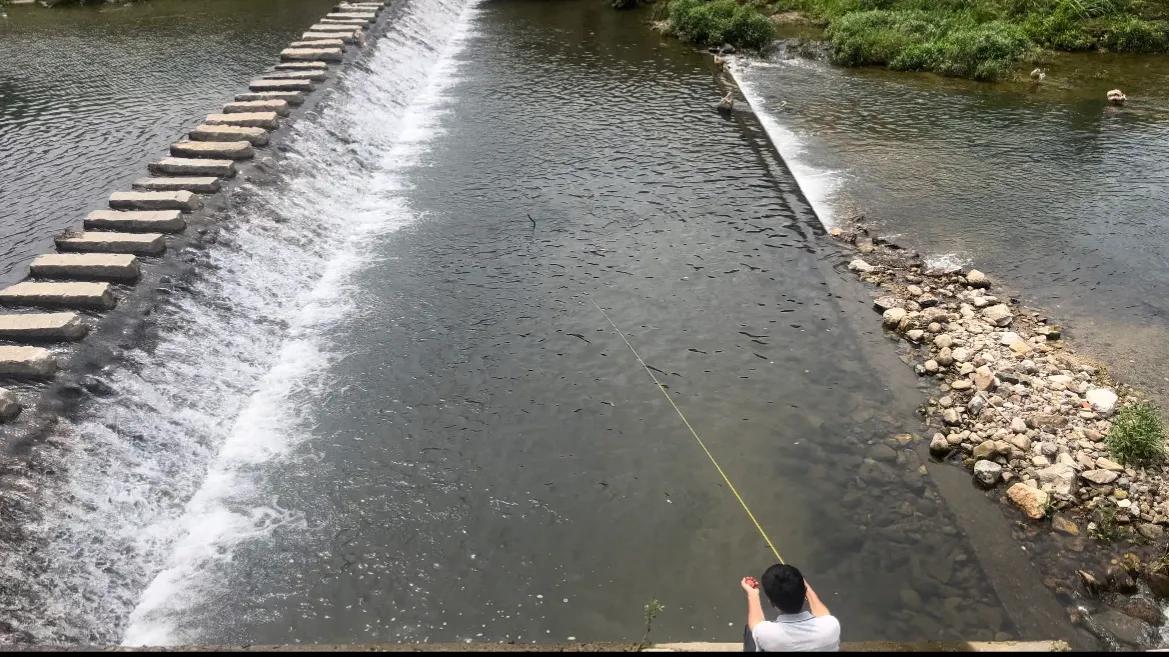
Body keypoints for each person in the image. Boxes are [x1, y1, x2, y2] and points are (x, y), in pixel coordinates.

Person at [740, 564, 841, 652]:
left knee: (750, 631)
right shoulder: (831, 626)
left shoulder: (766, 634)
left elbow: (755, 624)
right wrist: (804, 585)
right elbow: (823, 614)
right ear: (804, 592)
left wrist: (752, 594)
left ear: (771, 603)